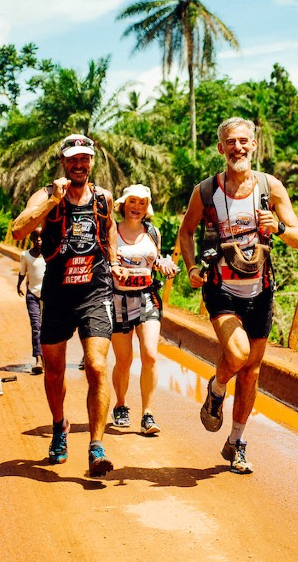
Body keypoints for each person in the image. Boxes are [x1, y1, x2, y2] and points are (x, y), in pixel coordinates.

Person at [177, 117, 298, 474]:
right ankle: (218, 387)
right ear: (221, 148)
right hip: (221, 287)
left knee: (251, 371)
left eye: (244, 141)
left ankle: (236, 442)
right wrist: (191, 268)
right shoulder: (206, 191)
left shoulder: (271, 187)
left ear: (254, 145)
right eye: (231, 142)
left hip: (260, 290)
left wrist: (278, 228)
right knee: (238, 353)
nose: (238, 148)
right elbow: (185, 233)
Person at [11, 133, 128, 478]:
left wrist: (115, 262)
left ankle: (96, 446)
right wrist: (51, 201)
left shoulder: (104, 198)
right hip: (57, 294)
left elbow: (107, 236)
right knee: (55, 370)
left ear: (92, 162)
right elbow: (18, 230)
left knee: (95, 365)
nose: (79, 165)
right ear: (63, 161)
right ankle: (60, 425)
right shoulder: (46, 194)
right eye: (73, 159)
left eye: (85, 159)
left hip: (95, 291)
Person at [109, 184, 178, 435]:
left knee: (150, 354)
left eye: (141, 202)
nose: (136, 207)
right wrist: (114, 270)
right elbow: (104, 262)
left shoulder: (153, 232)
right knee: (124, 360)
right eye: (132, 202)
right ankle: (120, 404)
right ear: (123, 204)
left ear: (146, 207)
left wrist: (164, 265)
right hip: (118, 300)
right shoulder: (111, 232)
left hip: (147, 297)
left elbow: (156, 259)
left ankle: (147, 414)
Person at [17, 226, 46, 375]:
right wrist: (19, 285)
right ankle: (39, 359)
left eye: (41, 237)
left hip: (49, 295)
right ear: (32, 240)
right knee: (36, 325)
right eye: (36, 238)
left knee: (48, 327)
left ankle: (49, 357)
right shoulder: (26, 255)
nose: (39, 241)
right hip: (32, 294)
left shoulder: (51, 255)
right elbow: (22, 273)